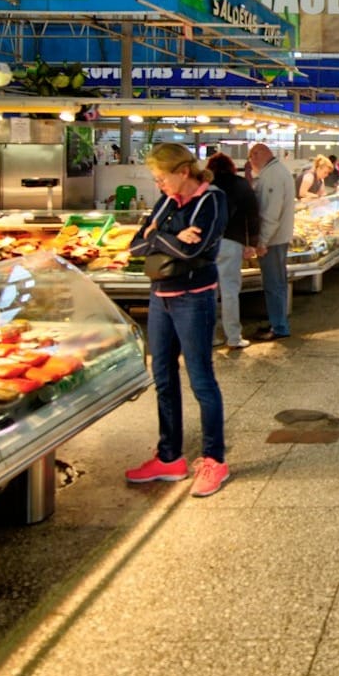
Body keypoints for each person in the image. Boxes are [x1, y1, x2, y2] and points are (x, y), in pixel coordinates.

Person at [125, 144, 230, 494]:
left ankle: (214, 460)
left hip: (193, 297)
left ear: (183, 172)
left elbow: (192, 250)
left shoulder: (211, 201)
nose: (159, 185)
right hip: (160, 297)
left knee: (201, 379)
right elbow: (135, 246)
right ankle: (169, 457)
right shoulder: (167, 201)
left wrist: (156, 236)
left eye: (162, 177)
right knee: (164, 377)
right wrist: (163, 237)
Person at [205, 152, 260, 351]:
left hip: (207, 244)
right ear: (231, 167)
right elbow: (252, 215)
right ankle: (234, 337)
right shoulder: (240, 184)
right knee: (230, 291)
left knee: (208, 292)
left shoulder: (204, 186)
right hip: (232, 242)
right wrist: (251, 243)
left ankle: (209, 337)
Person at [247, 143, 295, 341]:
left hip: (274, 240)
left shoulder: (272, 175)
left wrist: (262, 241)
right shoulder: (277, 171)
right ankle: (278, 321)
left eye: (250, 158)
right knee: (278, 283)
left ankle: (279, 327)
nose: (250, 163)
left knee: (274, 284)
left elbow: (271, 213)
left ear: (258, 155)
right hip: (279, 238)